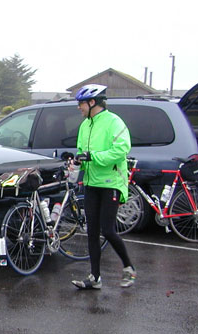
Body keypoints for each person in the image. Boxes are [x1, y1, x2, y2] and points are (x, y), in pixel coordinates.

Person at [70, 84, 136, 289]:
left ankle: (129, 269)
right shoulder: (85, 125)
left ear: (92, 103)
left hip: (111, 183)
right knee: (91, 232)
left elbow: (121, 150)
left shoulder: (114, 122)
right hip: (91, 182)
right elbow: (82, 150)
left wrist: (94, 157)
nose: (78, 108)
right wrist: (77, 161)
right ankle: (95, 277)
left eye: (81, 103)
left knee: (107, 230)